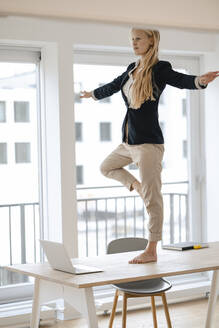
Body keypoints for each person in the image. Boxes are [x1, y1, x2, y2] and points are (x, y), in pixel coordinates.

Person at [80, 28, 219, 264]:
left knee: (152, 198)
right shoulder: (131, 69)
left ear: (151, 41)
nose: (134, 43)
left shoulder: (159, 69)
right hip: (128, 142)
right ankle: (136, 185)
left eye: (138, 39)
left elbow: (180, 80)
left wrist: (199, 81)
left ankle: (151, 249)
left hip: (148, 145)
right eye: (132, 39)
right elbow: (113, 86)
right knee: (106, 167)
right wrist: (92, 94)